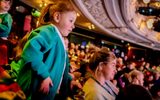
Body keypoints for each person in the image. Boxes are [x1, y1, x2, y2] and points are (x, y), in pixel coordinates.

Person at [16, 1, 78, 99]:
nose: (73, 26)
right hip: (34, 93)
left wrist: (69, 79)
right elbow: (30, 52)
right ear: (57, 17)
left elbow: (58, 66)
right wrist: (44, 75)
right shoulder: (49, 32)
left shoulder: (58, 38)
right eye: (71, 21)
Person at [0, 0, 12, 66]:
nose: (7, 5)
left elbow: (6, 29)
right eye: (5, 2)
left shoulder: (7, 16)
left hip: (1, 41)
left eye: (9, 3)